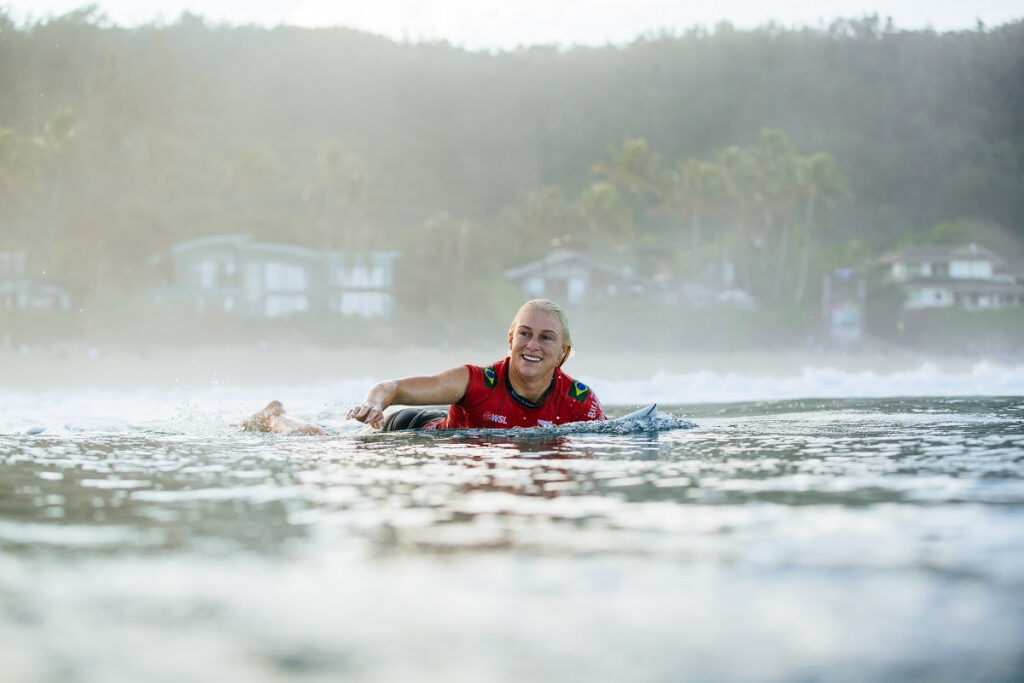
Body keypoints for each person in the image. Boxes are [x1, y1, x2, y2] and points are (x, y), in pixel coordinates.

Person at [241, 299, 605, 434]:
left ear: (563, 353)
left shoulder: (579, 400)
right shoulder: (476, 381)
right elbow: (393, 387)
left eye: (546, 338)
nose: (532, 345)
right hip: (418, 430)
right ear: (510, 339)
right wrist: (374, 403)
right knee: (323, 444)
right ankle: (273, 417)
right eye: (524, 334)